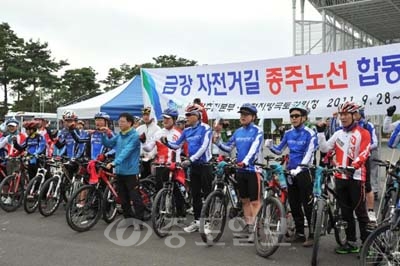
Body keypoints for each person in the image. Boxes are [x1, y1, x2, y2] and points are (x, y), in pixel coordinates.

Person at [316, 101, 370, 254]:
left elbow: (365, 152)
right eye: (341, 115)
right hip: (340, 177)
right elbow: (325, 148)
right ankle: (351, 242)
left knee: (360, 212)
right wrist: (320, 133)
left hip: (357, 177)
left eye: (346, 114)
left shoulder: (363, 133)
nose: (343, 117)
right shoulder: (338, 133)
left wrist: (355, 165)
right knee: (345, 212)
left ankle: (368, 244)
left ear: (354, 115)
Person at [265, 103, 317, 247]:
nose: (293, 118)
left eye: (296, 116)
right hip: (290, 171)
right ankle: (300, 234)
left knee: (307, 204)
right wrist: (270, 146)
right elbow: (279, 150)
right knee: (294, 203)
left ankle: (312, 235)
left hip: (305, 171)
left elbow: (309, 152)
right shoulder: (288, 133)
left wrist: (300, 167)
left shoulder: (310, 132)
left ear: (304, 117)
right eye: (291, 116)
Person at [161, 104, 213, 233]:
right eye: (186, 115)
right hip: (193, 166)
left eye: (190, 115)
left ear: (197, 116)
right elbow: (177, 145)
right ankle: (197, 221)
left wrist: (191, 159)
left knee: (206, 194)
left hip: (205, 165)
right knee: (194, 194)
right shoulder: (187, 131)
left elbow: (204, 147)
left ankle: (207, 223)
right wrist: (167, 143)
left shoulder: (206, 128)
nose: (187, 117)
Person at [216, 103, 263, 242]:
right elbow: (228, 147)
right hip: (241, 170)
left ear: (253, 117)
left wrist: (246, 161)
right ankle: (249, 226)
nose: (243, 117)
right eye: (241, 114)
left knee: (255, 201)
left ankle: (255, 230)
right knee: (245, 200)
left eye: (246, 114)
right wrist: (218, 142)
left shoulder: (257, 131)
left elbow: (254, 149)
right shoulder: (237, 132)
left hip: (253, 169)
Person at [101, 112, 145, 228]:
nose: (120, 124)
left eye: (122, 122)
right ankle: (129, 219)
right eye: (119, 122)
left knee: (135, 198)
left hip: (131, 171)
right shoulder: (120, 135)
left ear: (130, 123)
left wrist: (115, 162)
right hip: (120, 172)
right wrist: (104, 134)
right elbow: (109, 144)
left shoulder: (134, 136)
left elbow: (126, 151)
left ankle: (139, 222)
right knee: (123, 198)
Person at [143, 108, 186, 216]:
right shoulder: (158, 133)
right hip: (160, 165)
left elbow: (185, 149)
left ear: (174, 119)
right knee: (159, 190)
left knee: (176, 191)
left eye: (168, 118)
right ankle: (158, 213)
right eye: (164, 118)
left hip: (174, 166)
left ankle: (181, 213)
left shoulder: (179, 133)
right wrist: (143, 142)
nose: (165, 121)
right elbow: (148, 148)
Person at [353, 103, 379, 225]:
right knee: (353, 186)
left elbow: (375, 143)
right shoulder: (348, 126)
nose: (354, 116)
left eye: (356, 113)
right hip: (351, 160)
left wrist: (363, 148)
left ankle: (370, 211)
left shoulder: (368, 125)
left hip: (364, 159)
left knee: (367, 185)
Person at [136, 107, 161, 178]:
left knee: (152, 179)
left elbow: (157, 144)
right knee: (142, 179)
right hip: (141, 158)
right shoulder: (139, 129)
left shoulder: (157, 129)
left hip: (153, 159)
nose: (145, 117)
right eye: (144, 115)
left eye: (148, 115)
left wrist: (151, 155)